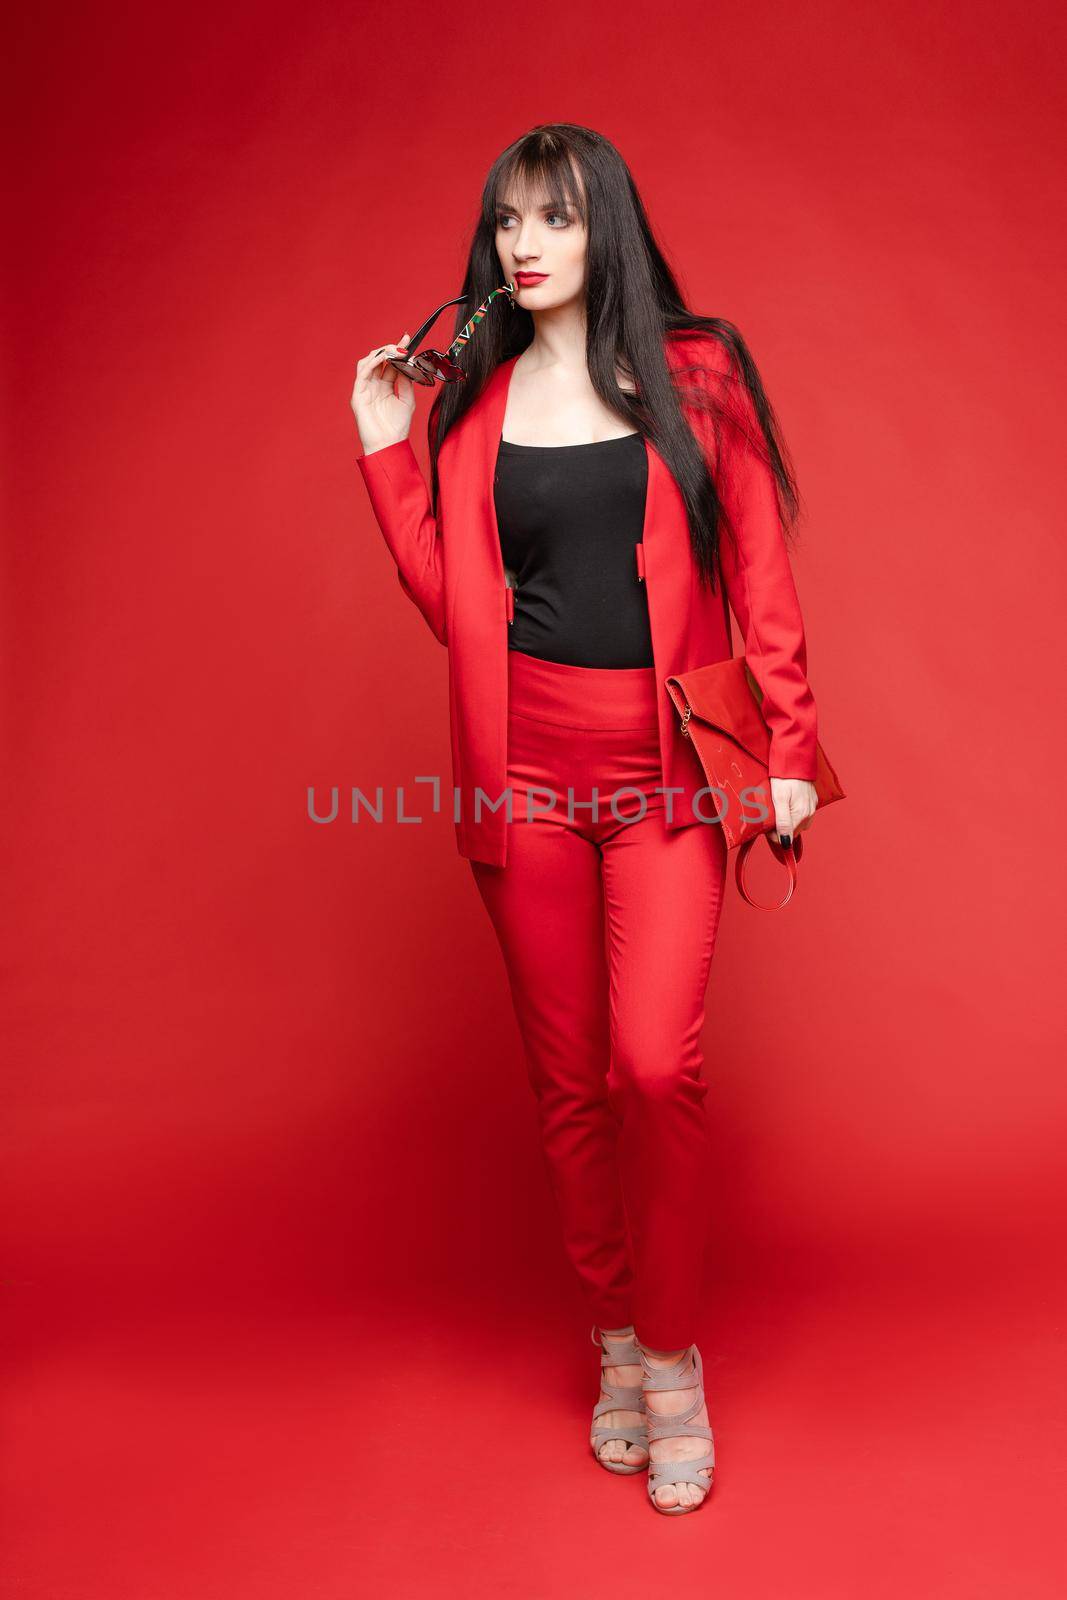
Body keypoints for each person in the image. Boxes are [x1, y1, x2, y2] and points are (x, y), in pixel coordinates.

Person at [349, 123, 820, 1516]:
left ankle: (674, 1357)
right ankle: (622, 1344)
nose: (526, 243)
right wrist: (386, 449)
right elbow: (462, 614)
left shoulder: (700, 376)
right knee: (567, 1090)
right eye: (507, 222)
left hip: (669, 763)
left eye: (553, 217)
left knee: (649, 1069)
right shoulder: (478, 408)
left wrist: (786, 743)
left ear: (603, 225)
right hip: (526, 772)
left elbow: (761, 565)